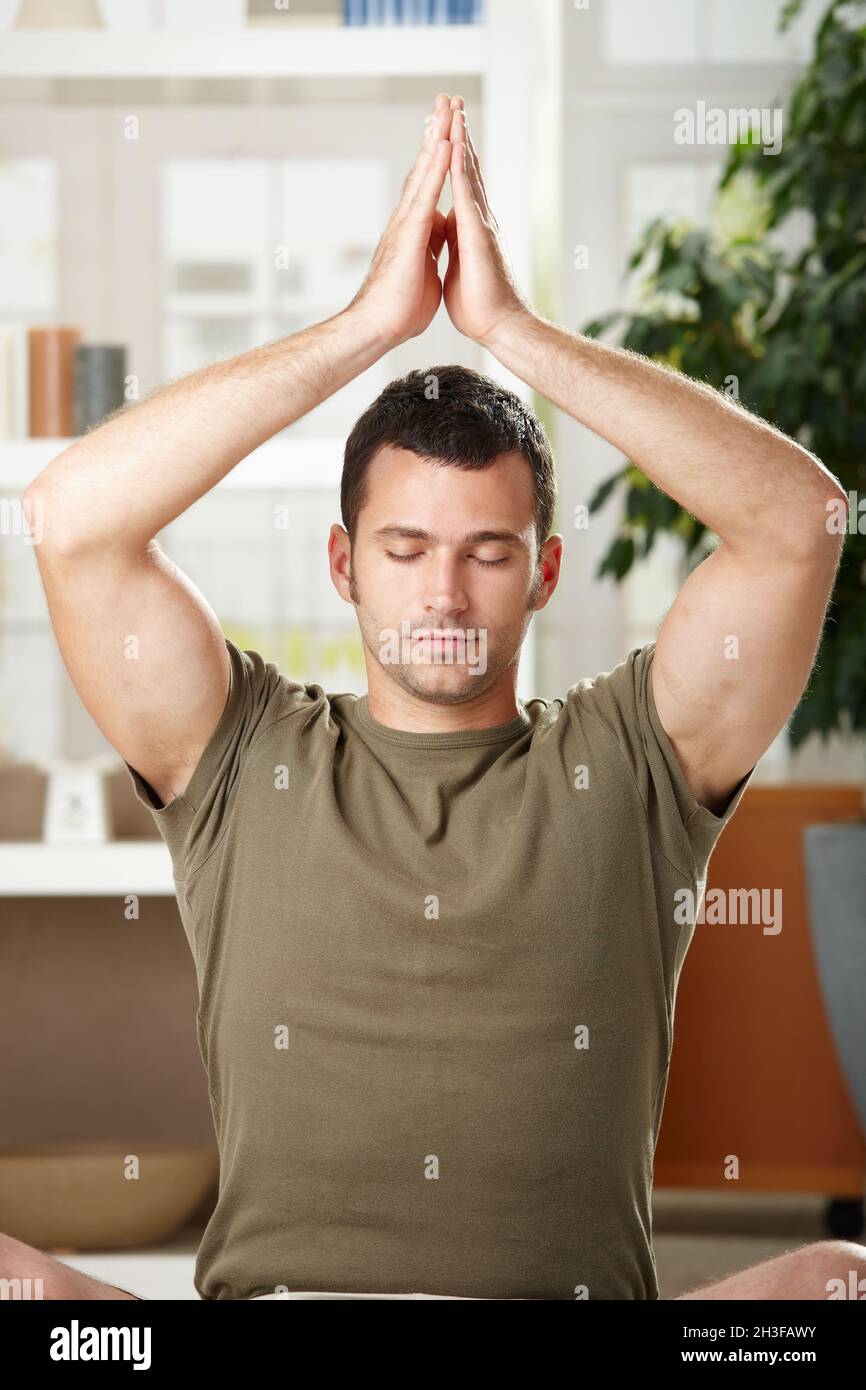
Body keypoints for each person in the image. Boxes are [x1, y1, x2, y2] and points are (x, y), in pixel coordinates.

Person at [11, 92, 862, 1302]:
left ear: (544, 571)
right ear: (343, 565)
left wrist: (512, 330)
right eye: (404, 551)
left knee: (839, 1279)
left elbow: (799, 524)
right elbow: (70, 521)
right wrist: (367, 327)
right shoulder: (242, 750)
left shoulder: (631, 758)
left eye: (488, 551)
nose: (445, 595)